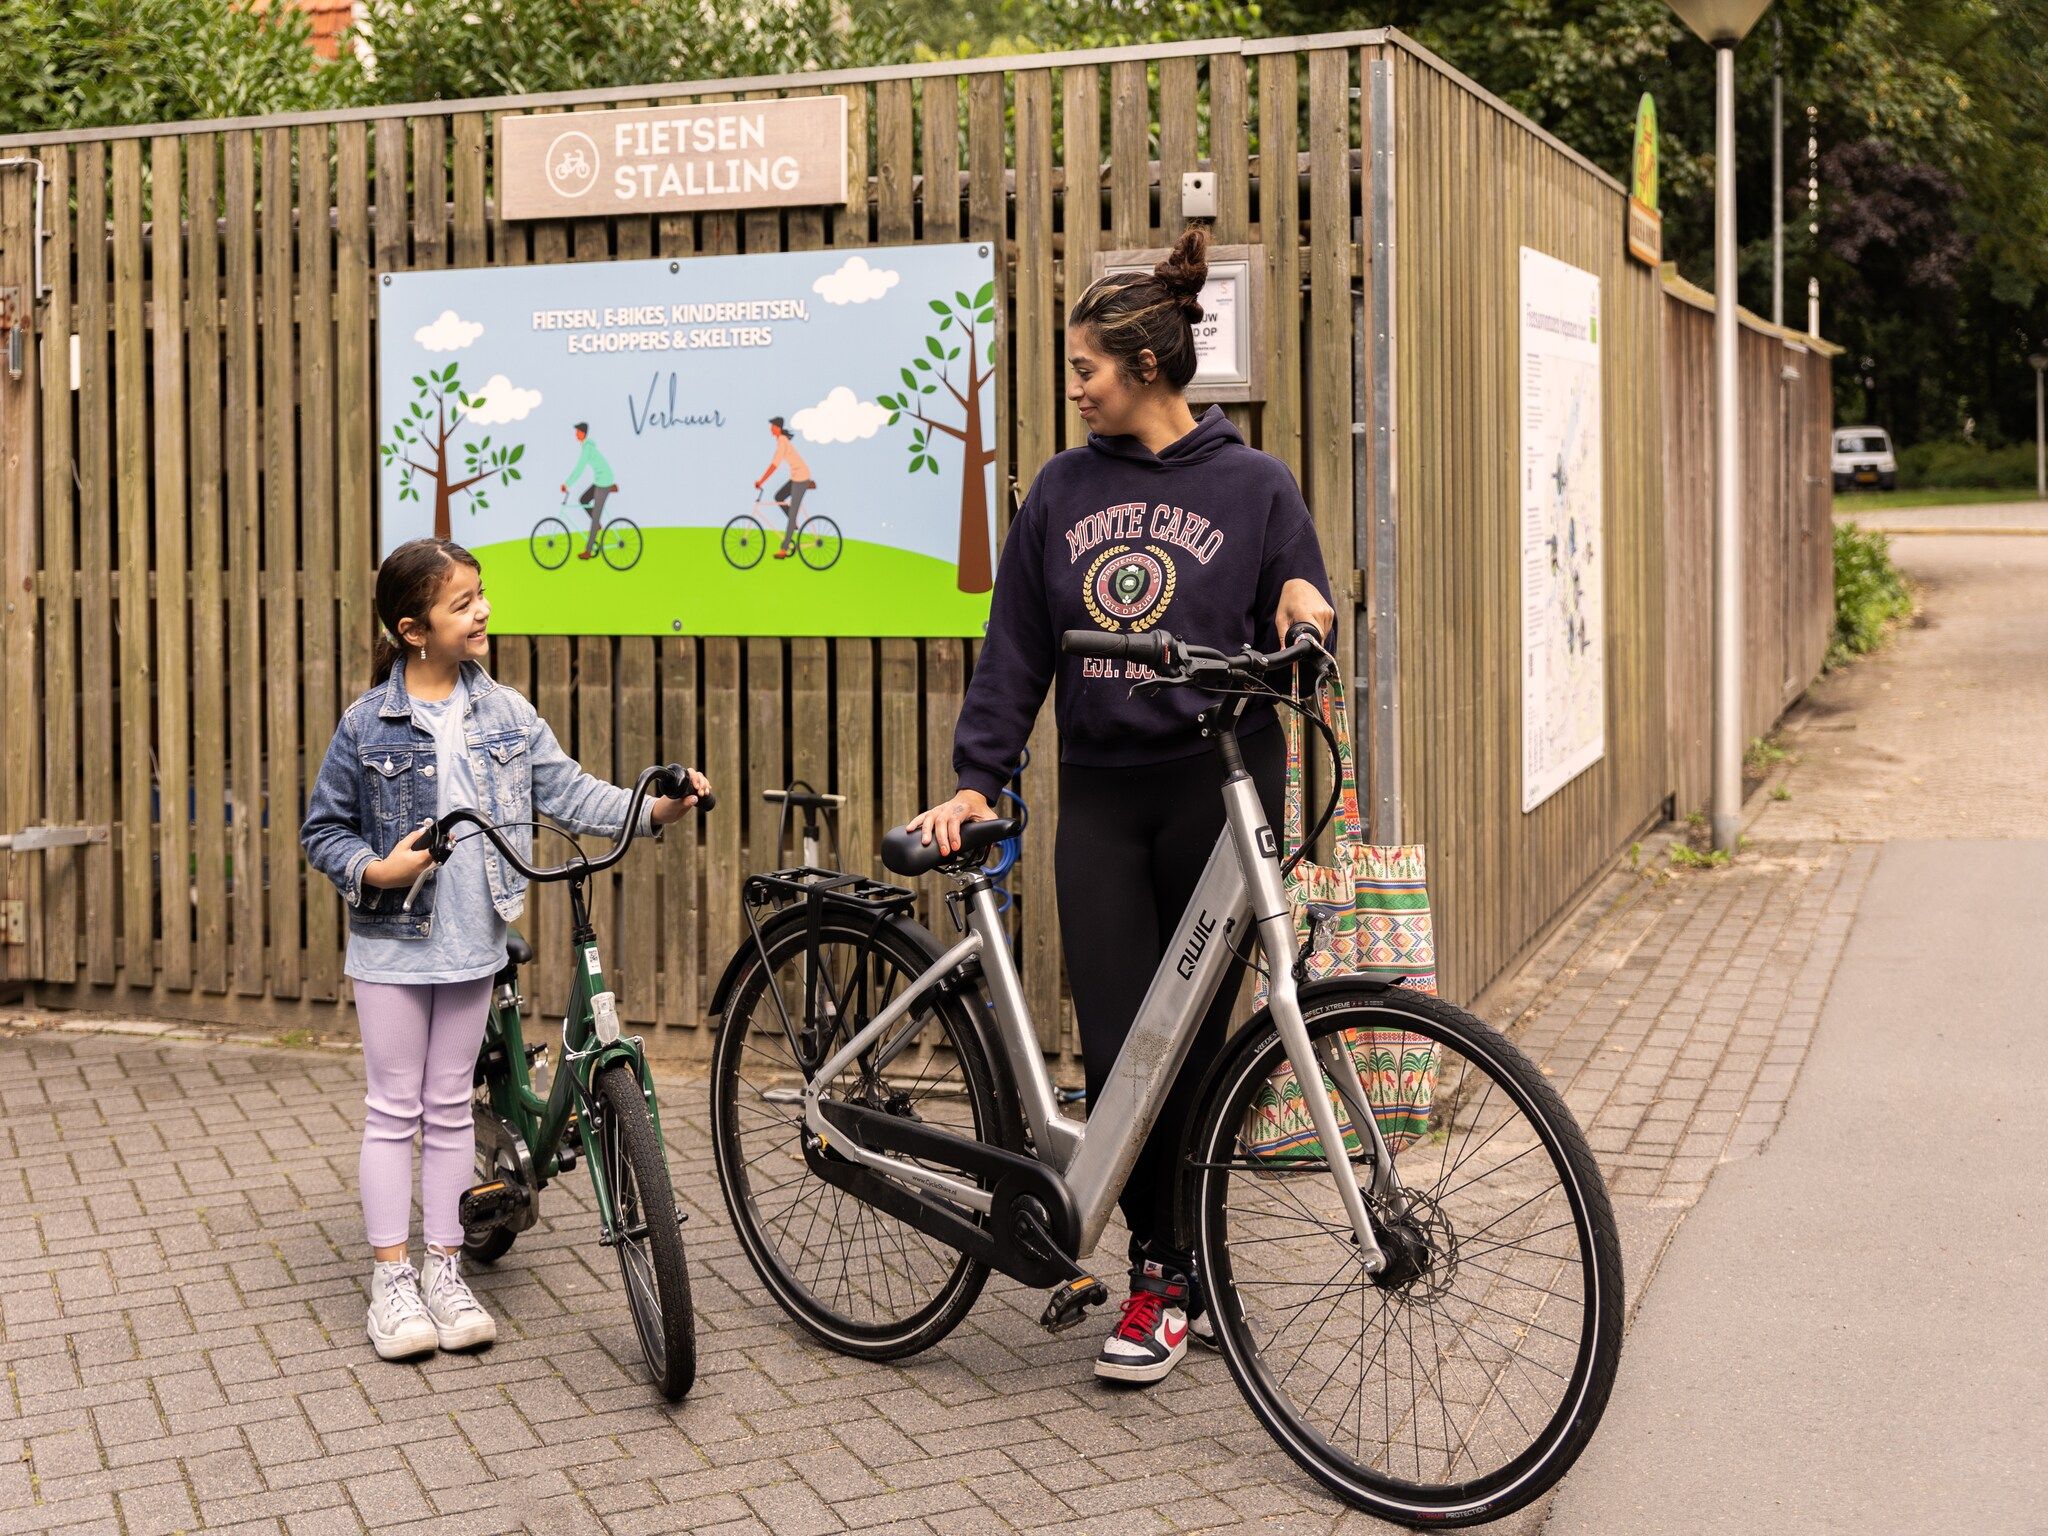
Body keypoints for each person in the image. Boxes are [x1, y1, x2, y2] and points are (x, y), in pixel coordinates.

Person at [907, 224, 1336, 1388]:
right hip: (1101, 802)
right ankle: (1158, 1279)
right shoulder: (1059, 488)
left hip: (1215, 793)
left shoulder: (1253, 484)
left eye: (1085, 368)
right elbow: (1017, 651)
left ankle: (1178, 1268)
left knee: (1192, 1052)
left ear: (1143, 367)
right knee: (1118, 1048)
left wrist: (1305, 607)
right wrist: (975, 776)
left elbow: (1301, 589)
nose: (1075, 388)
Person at [300, 537, 709, 1362]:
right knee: (394, 1109)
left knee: (449, 1105)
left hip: (473, 942)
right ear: (415, 629)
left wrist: (656, 809)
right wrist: (379, 868)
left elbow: (573, 791)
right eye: (462, 603)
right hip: (391, 945)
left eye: (482, 594)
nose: (482, 610)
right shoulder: (364, 722)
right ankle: (392, 1282)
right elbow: (324, 830)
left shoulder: (508, 714)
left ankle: (447, 1270)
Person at [753, 416, 817, 559]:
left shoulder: (782, 442)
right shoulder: (781, 441)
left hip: (800, 478)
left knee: (792, 515)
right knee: (778, 497)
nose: (771, 429)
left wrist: (761, 481)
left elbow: (774, 465)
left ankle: (784, 550)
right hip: (796, 477)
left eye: (772, 426)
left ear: (778, 428)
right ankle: (793, 522)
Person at [560, 423, 620, 559]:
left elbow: (579, 468)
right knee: (583, 500)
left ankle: (588, 551)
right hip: (600, 479)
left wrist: (567, 483)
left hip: (603, 482)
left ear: (583, 433)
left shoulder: (587, 449)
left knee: (595, 519)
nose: (576, 434)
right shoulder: (586, 447)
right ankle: (609, 490)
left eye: (578, 432)